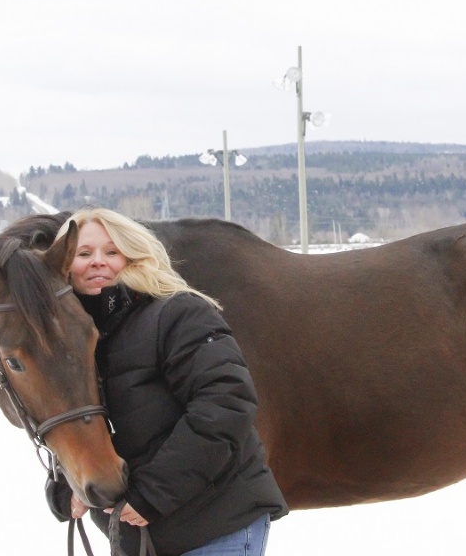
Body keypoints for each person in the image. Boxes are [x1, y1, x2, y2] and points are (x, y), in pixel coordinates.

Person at [45, 207, 287, 556]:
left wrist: (153, 494)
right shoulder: (76, 340)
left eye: (112, 251)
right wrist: (67, 486)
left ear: (134, 256)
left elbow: (226, 403)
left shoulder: (178, 313)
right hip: (138, 539)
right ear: (65, 266)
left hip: (214, 528)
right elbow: (72, 422)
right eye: (84, 254)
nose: (98, 261)